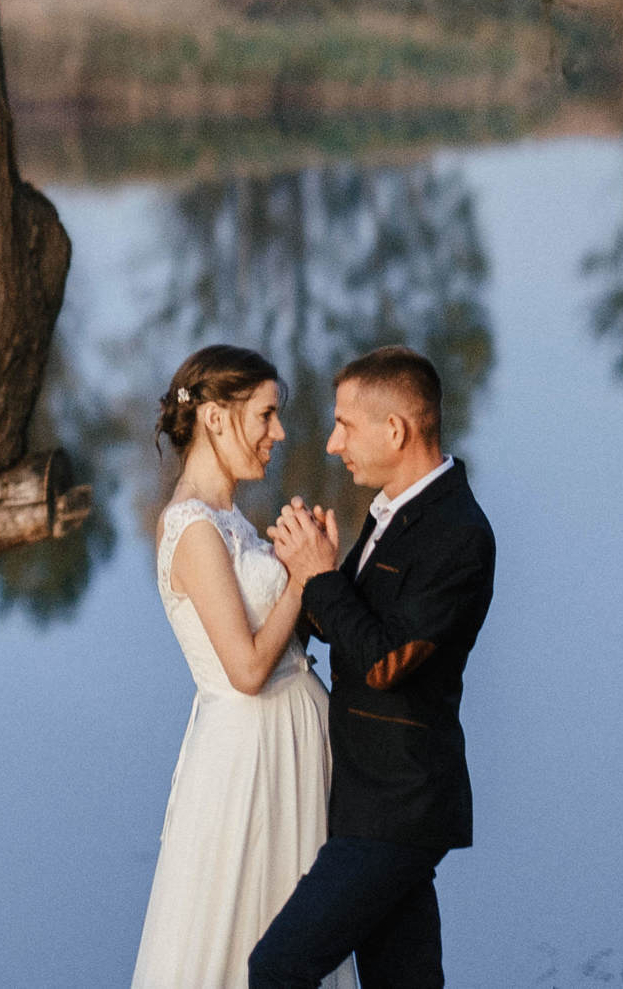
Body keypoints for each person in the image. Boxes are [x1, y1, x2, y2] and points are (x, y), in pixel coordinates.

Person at [251, 345, 497, 989]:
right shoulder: (392, 512)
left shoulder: (458, 534)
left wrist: (322, 577)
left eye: (345, 426)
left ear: (396, 430)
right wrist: (317, 576)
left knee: (277, 968)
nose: (333, 445)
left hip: (401, 806)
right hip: (368, 802)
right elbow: (356, 630)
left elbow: (389, 661)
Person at [130, 345, 352, 989]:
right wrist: (302, 579)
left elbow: (279, 635)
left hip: (283, 752)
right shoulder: (192, 527)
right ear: (217, 419)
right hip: (248, 763)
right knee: (243, 934)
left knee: (294, 929)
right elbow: (247, 669)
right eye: (266, 415)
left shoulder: (229, 519)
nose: (278, 434)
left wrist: (312, 571)